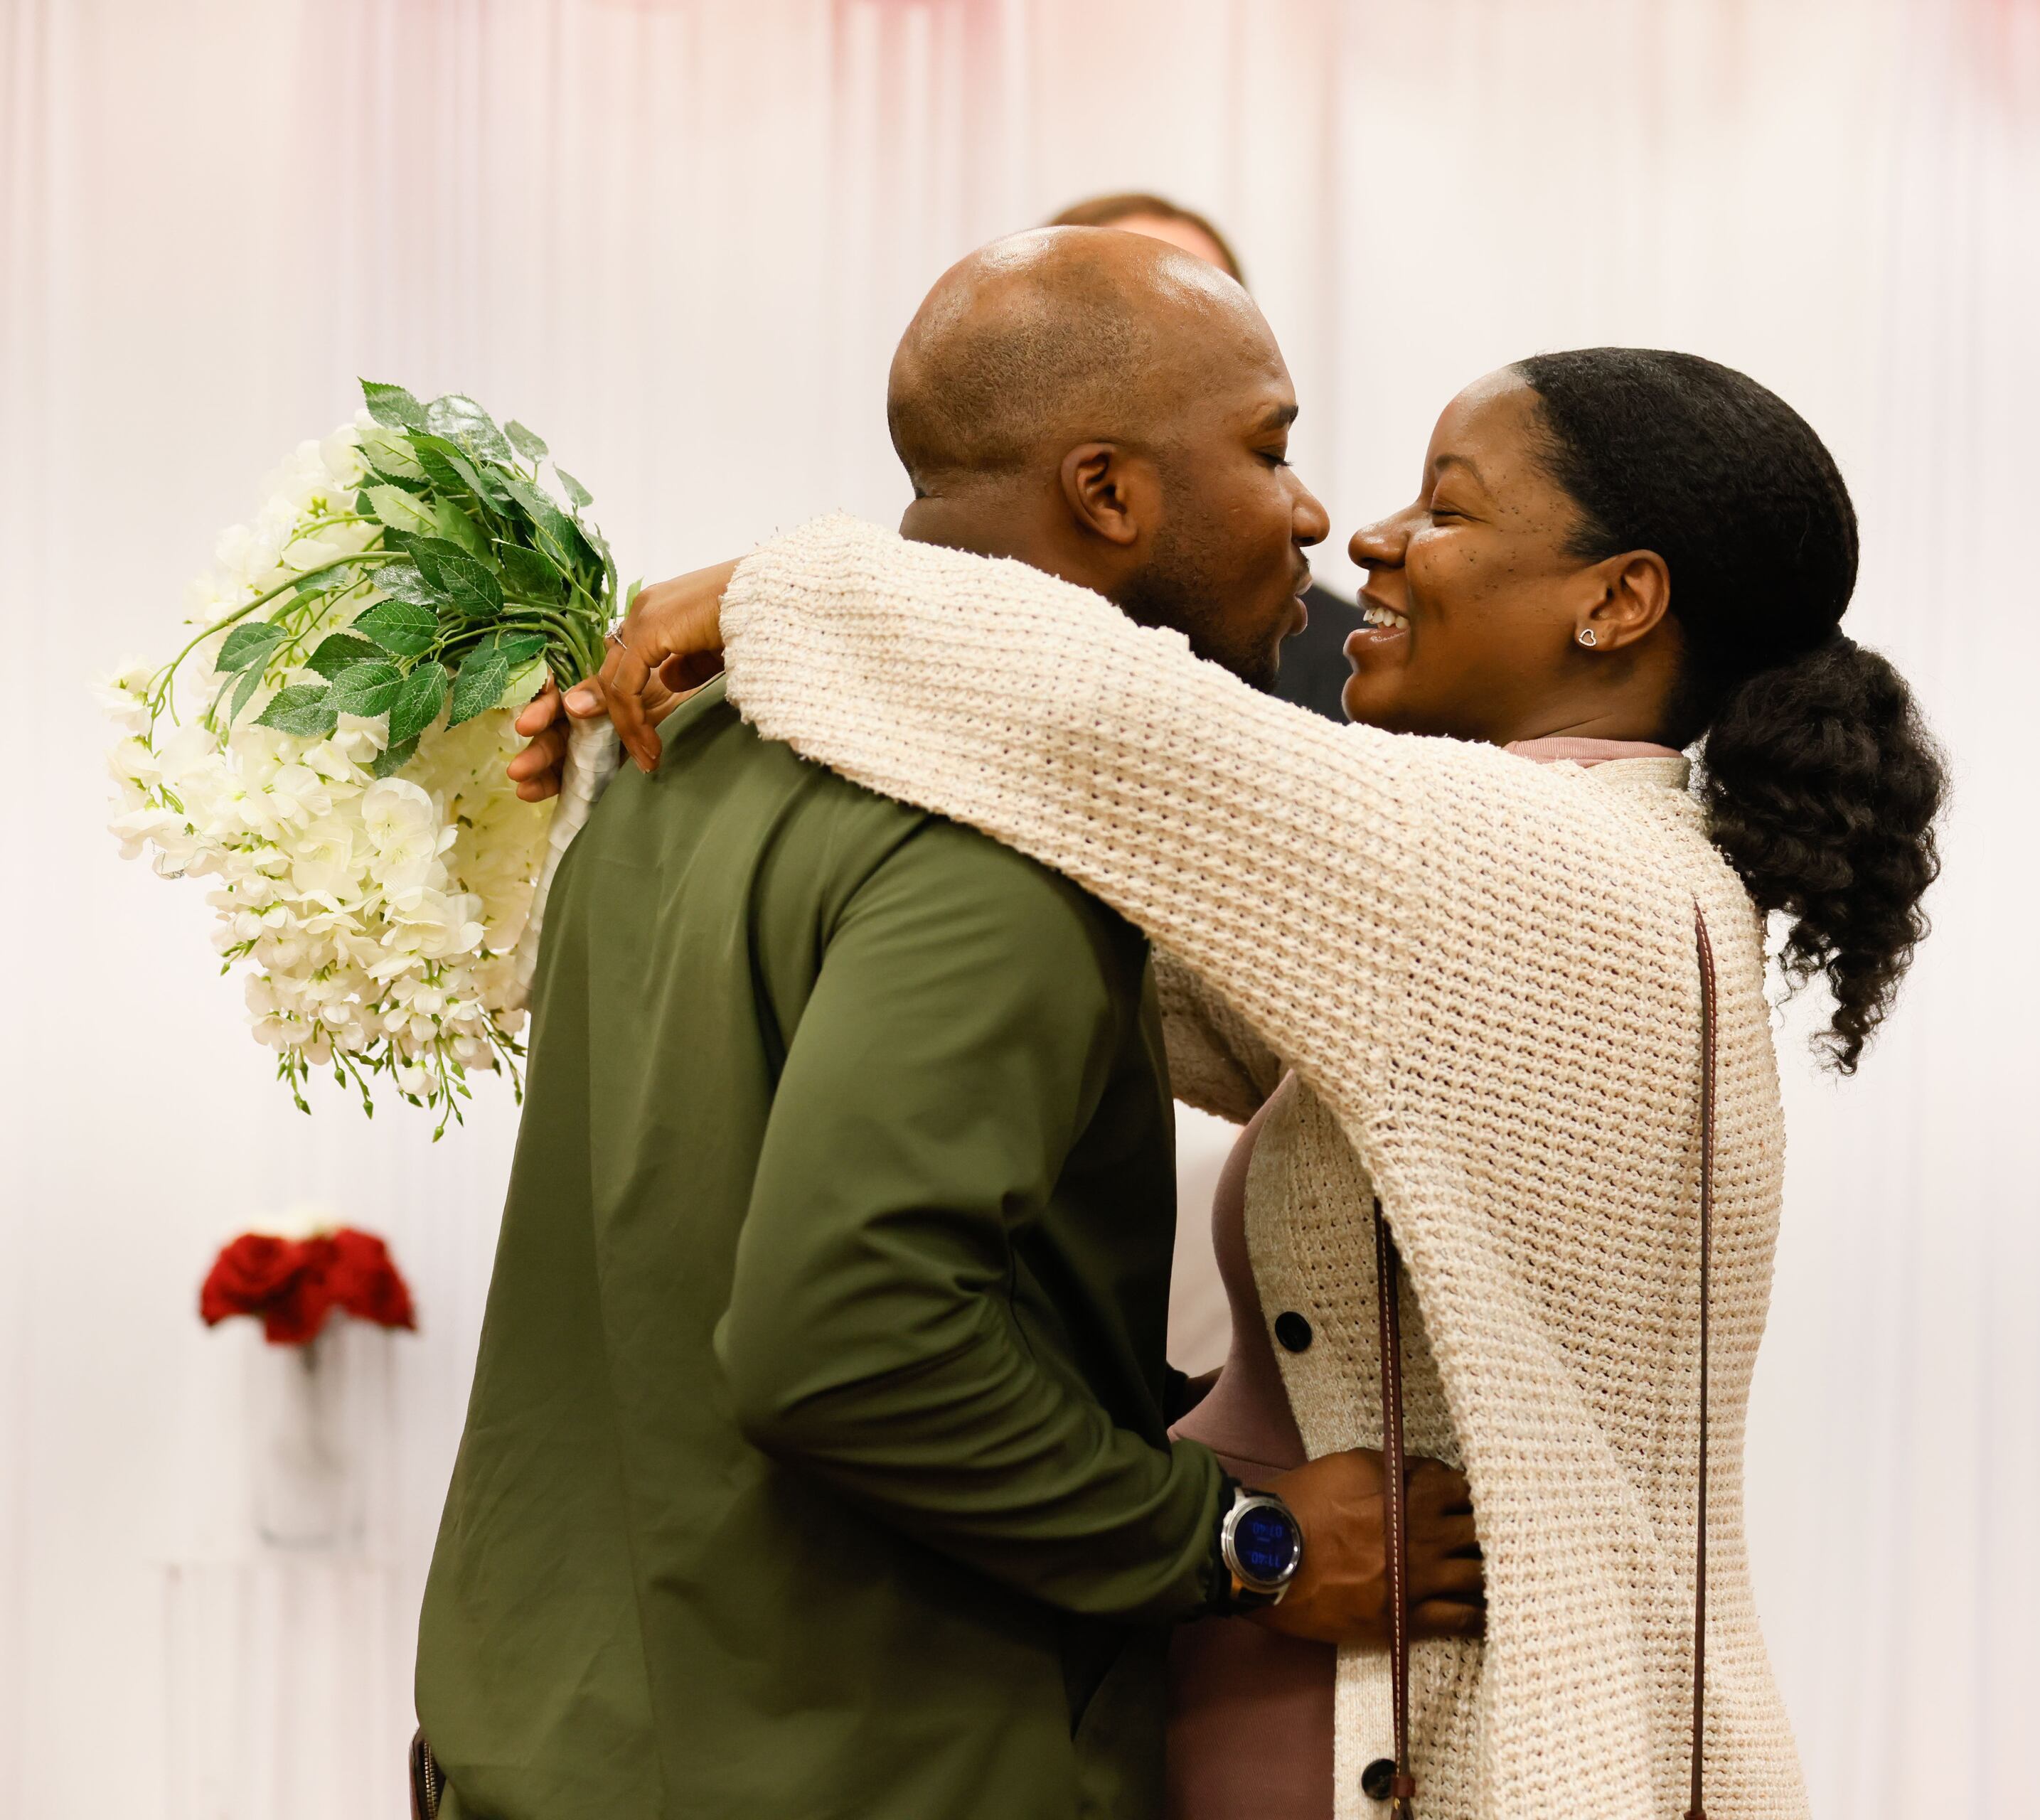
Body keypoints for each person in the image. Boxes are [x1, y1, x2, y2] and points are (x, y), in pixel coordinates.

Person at [525, 242, 1948, 1819]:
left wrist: (774, 586)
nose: (1370, 539)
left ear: (1617, 601)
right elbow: (1145, 927)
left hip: (1457, 1736)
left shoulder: (1541, 872)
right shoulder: (1530, 889)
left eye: (1450, 507)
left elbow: (1111, 724)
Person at [415, 229, 1481, 1820]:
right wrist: (1240, 1541)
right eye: (1272, 448)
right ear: (1109, 493)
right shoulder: (996, 826)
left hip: (545, 1720)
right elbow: (844, 1339)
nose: (1317, 514)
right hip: (856, 1753)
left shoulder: (672, 736)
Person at [1045, 189, 1367, 720]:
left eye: (1208, 309)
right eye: (1131, 315)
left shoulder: (1353, 669)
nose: (1313, 520)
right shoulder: (913, 638)